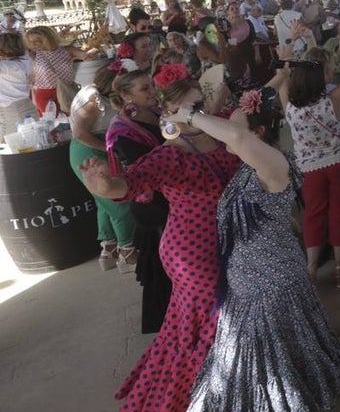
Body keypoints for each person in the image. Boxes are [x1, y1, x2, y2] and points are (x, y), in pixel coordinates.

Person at [79, 65, 242, 412]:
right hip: (193, 252)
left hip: (224, 242)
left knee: (204, 323)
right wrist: (109, 186)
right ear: (170, 113)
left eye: (200, 103)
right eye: (190, 108)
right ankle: (201, 396)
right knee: (214, 323)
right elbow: (134, 181)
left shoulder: (222, 132)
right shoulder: (172, 153)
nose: (199, 112)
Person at [181, 89, 340, 411]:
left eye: (234, 127)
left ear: (257, 133)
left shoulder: (273, 165)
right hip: (252, 282)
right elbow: (235, 137)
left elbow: (237, 137)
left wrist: (189, 115)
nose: (225, 134)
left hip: (270, 286)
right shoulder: (250, 165)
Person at [274, 40, 340, 287]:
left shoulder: (289, 106)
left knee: (312, 214)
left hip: (309, 168)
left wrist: (286, 55)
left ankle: (311, 268)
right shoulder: (335, 99)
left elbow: (281, 77)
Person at [105, 67, 172, 335]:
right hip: (153, 204)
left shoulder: (156, 113)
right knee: (165, 265)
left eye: (152, 86)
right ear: (125, 95)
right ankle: (170, 323)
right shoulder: (121, 132)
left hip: (172, 194)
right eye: (145, 89)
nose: (153, 93)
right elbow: (148, 168)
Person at [69, 62, 136, 273]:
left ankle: (108, 249)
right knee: (118, 200)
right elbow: (80, 133)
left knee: (103, 200)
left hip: (97, 146)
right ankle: (128, 251)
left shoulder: (99, 95)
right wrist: (109, 150)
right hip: (89, 148)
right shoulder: (93, 98)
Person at [24, 25, 94, 115]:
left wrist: (90, 54)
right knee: (51, 124)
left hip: (67, 90)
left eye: (37, 40)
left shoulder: (67, 51)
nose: (34, 44)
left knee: (72, 120)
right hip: (45, 94)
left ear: (46, 39)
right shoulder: (33, 55)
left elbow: (85, 56)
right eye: (31, 41)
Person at [0, 33, 36, 138]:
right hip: (26, 105)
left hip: (10, 110)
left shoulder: (8, 66)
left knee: (9, 143)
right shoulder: (25, 61)